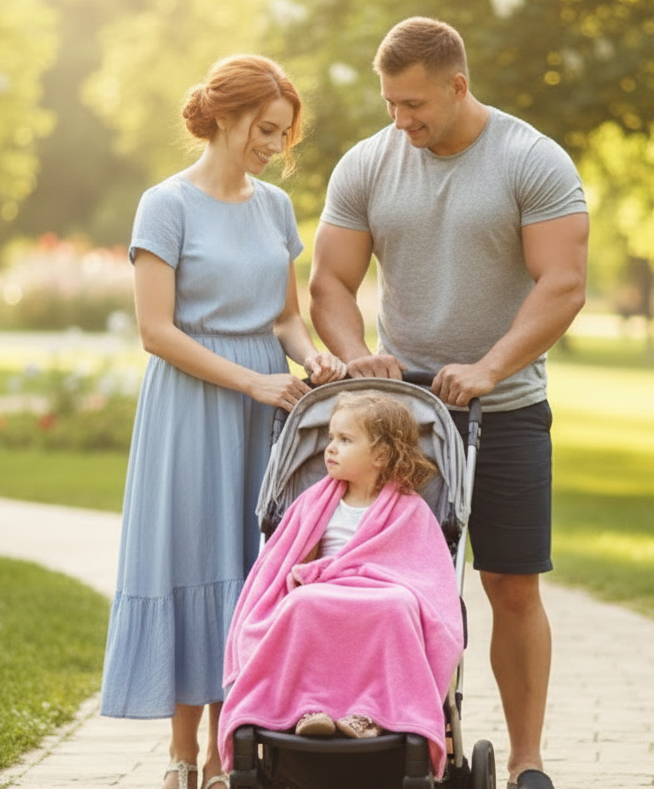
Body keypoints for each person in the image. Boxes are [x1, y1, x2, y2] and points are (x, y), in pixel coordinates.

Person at [308, 17, 589, 790]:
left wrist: (492, 366)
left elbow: (563, 283)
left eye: (414, 104)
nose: (401, 120)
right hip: (400, 420)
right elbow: (330, 283)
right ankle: (401, 736)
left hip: (505, 409)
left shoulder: (531, 160)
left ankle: (528, 761)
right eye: (391, 103)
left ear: (458, 85)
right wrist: (360, 360)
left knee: (511, 582)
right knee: (391, 584)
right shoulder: (368, 162)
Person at [100, 54, 345, 790]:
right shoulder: (164, 205)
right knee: (195, 561)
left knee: (253, 568)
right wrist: (251, 380)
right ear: (228, 116)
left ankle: (226, 754)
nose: (276, 146)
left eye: (285, 134)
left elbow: (285, 318)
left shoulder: (273, 208)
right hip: (192, 406)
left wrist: (316, 360)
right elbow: (157, 331)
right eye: (267, 130)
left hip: (266, 413)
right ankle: (182, 755)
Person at [218, 391, 464, 779]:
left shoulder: (410, 509)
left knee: (398, 605)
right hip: (325, 590)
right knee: (302, 604)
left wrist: (367, 578)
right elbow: (284, 560)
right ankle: (308, 706)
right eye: (331, 438)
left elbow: (423, 570)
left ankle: (372, 713)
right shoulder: (313, 503)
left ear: (381, 455)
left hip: (382, 592)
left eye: (345, 440)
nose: (330, 449)